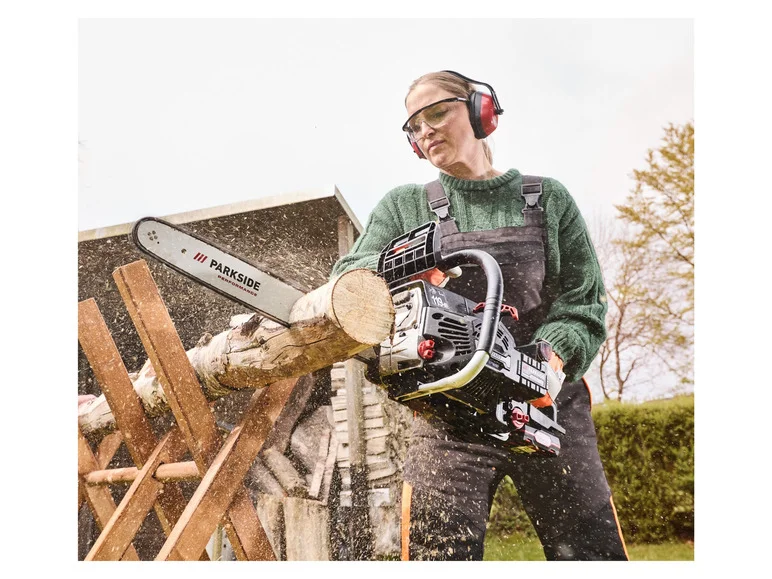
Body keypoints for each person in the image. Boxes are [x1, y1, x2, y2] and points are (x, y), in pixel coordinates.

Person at [330, 70, 628, 561]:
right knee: (437, 555)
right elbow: (349, 277)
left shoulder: (547, 199)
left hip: (548, 408)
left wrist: (551, 354)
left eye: (435, 113)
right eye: (413, 125)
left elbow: (584, 301)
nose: (425, 130)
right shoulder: (406, 206)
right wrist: (397, 272)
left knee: (590, 552)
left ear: (480, 110)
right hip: (450, 415)